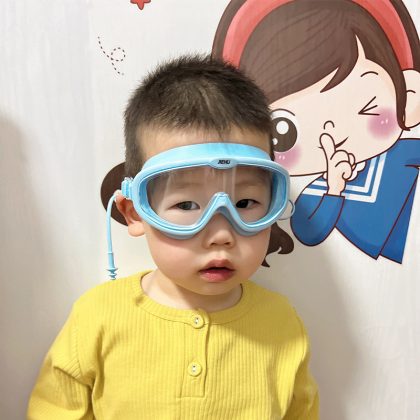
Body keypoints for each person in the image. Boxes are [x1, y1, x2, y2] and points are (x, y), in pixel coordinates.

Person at [27, 55, 319, 419]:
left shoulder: (282, 323)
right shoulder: (97, 317)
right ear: (135, 213)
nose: (221, 234)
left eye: (245, 203)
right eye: (187, 205)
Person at [213, 0, 420, 263]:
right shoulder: (311, 191)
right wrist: (334, 187)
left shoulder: (405, 152)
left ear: (410, 94)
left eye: (367, 107)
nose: (331, 134)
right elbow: (308, 232)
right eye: (286, 131)